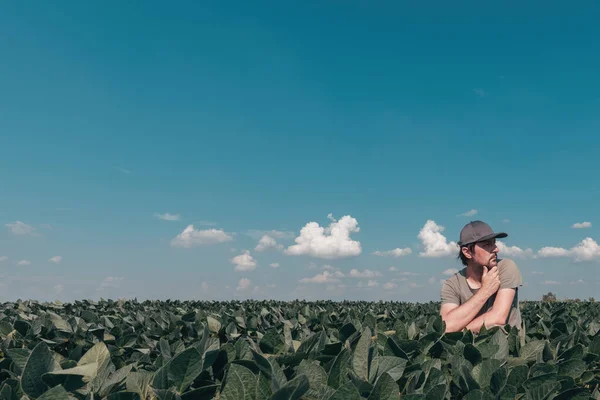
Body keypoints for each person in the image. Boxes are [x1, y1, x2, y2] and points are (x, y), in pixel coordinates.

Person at [440, 220, 523, 334]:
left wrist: (458, 331)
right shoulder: (452, 284)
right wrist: (485, 290)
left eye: (494, 243)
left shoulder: (506, 267)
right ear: (467, 252)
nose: (496, 249)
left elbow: (498, 318)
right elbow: (446, 326)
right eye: (487, 245)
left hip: (507, 349)